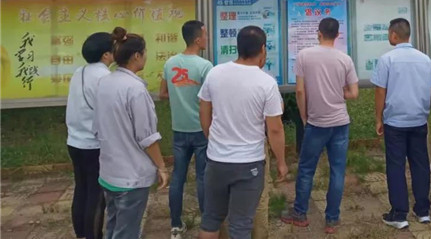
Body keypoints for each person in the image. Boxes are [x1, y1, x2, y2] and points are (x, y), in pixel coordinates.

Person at [198, 26, 287, 239]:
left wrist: (212, 138)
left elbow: (204, 110)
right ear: (263, 49)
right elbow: (275, 129)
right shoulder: (266, 83)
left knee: (211, 220)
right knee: (241, 225)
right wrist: (281, 162)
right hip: (249, 164)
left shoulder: (215, 73)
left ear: (237, 47)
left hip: (216, 160)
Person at [281, 17, 359, 234]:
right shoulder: (345, 59)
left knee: (307, 169)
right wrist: (339, 92)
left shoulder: (304, 55)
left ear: (319, 33)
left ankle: (300, 214)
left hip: (316, 122)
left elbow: (299, 91)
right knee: (337, 171)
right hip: (340, 122)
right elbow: (354, 93)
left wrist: (304, 116)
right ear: (337, 35)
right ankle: (332, 219)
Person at [94, 27, 169, 239]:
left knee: (114, 226)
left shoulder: (105, 82)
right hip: (131, 176)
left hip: (109, 171)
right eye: (144, 52)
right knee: (126, 232)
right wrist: (161, 167)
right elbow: (147, 137)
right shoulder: (135, 89)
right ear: (137, 56)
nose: (146, 56)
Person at [372, 19, 431, 230]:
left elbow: (380, 91)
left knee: (396, 165)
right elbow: (430, 90)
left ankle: (399, 213)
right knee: (420, 164)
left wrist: (378, 118)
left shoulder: (387, 59)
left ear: (394, 35)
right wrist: (425, 111)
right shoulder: (425, 59)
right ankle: (423, 210)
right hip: (419, 119)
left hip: (395, 122)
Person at [160, 20, 214, 239]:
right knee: (202, 177)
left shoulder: (170, 63)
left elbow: (162, 94)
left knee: (178, 177)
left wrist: (179, 96)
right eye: (205, 35)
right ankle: (207, 223)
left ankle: (175, 225)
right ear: (198, 39)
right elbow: (210, 100)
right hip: (201, 129)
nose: (207, 38)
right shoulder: (205, 66)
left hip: (179, 129)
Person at [66, 32, 113, 239]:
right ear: (106, 55)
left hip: (75, 141)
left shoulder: (79, 72)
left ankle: (82, 234)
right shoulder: (105, 78)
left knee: (81, 189)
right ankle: (93, 235)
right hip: (94, 145)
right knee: (96, 194)